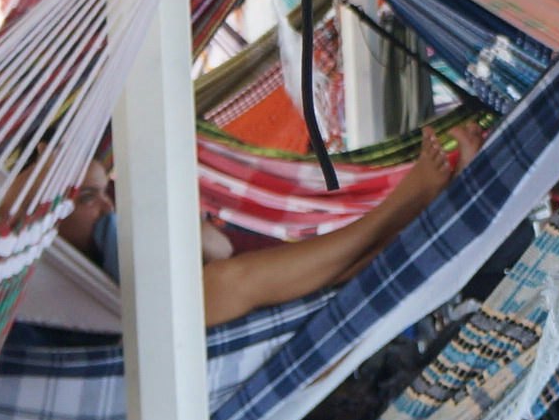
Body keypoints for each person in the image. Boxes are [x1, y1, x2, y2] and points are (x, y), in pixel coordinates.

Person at [58, 119, 479, 328]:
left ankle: (438, 208)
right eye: (88, 199)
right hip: (157, 346)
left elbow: (217, 246)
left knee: (339, 278)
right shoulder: (55, 276)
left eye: (106, 193)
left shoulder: (118, 243)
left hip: (229, 312)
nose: (107, 209)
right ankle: (403, 206)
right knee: (226, 282)